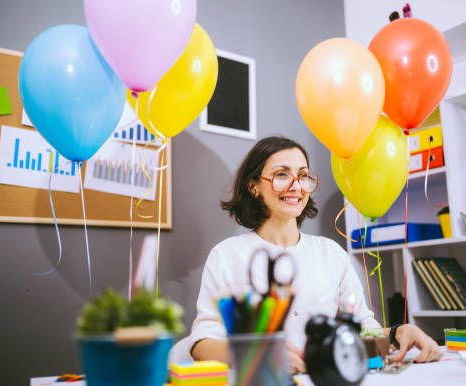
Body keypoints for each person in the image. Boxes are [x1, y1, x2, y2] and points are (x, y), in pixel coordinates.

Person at [171, 136, 442, 373]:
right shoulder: (227, 255)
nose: (296, 185)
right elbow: (202, 343)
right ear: (254, 186)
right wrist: (253, 355)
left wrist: (398, 332)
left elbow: (360, 327)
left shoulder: (330, 253)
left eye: (303, 175)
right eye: (281, 174)